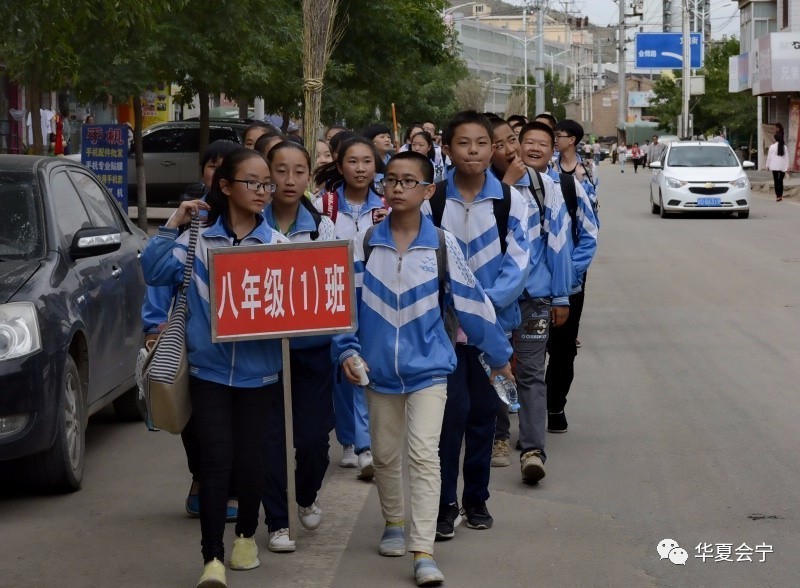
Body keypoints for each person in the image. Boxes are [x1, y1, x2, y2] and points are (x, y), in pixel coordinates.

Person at [334, 150, 513, 587]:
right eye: (390, 180)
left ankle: (423, 548)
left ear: (429, 191)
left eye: (407, 181)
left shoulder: (442, 244)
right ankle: (393, 522)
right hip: (377, 372)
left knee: (423, 454)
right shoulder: (364, 243)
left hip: (431, 369)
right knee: (386, 455)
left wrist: (501, 355)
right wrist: (346, 352)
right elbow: (346, 310)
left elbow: (472, 306)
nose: (396, 188)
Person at [141, 148, 288, 587]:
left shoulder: (279, 247)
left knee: (250, 460)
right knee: (214, 461)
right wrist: (174, 223)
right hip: (208, 373)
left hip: (260, 374)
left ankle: (245, 533)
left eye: (268, 183)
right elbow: (151, 271)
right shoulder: (197, 242)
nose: (264, 191)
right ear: (225, 186)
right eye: (254, 182)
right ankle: (212, 558)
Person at [424, 111, 529, 538]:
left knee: (485, 417)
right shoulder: (432, 201)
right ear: (446, 149)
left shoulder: (511, 201)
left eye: (482, 143)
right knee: (449, 418)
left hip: (494, 332)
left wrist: (482, 309)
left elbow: (520, 264)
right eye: (463, 143)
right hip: (442, 331)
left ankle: (477, 499)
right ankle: (445, 504)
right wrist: (456, 306)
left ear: (494, 148)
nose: (473, 151)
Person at [140, 139, 241, 521]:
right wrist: (155, 324)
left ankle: (229, 489)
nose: (217, 174)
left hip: (241, 349)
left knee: (235, 426)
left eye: (226, 166)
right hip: (195, 341)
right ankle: (201, 478)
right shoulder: (193, 217)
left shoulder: (258, 220)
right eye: (212, 166)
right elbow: (159, 277)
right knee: (194, 419)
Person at [260, 141, 337, 554]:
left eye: (299, 171)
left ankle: (306, 494)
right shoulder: (251, 224)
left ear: (310, 176)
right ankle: (277, 521)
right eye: (281, 170)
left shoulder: (323, 227)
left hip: (311, 352)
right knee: (270, 438)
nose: (289, 180)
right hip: (264, 353)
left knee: (311, 439)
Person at [489, 119, 572, 482]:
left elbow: (559, 244)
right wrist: (505, 188)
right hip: (492, 301)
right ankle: (497, 438)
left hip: (535, 299)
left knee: (532, 374)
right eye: (505, 142)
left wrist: (561, 295)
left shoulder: (546, 188)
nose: (512, 147)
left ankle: (534, 448)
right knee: (495, 370)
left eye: (513, 139)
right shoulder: (482, 190)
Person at [316, 136, 388, 478]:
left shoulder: (387, 204)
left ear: (376, 166)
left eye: (367, 162)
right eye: (353, 161)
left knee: (364, 364)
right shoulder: (324, 206)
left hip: (374, 297)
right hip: (334, 295)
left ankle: (364, 443)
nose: (360, 169)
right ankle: (349, 439)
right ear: (339, 165)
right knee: (341, 369)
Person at [545, 121, 599, 434]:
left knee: (563, 349)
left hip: (570, 278)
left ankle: (555, 405)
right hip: (530, 286)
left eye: (555, 137)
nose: (550, 143)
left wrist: (570, 272)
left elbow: (591, 228)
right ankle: (527, 409)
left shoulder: (580, 176)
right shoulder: (516, 186)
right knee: (530, 348)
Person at [765, 125, 789, 202]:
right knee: (780, 181)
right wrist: (787, 167)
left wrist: (767, 166)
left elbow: (769, 157)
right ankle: (781, 196)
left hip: (774, 166)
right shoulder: (784, 147)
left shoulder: (772, 146)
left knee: (776, 181)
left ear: (775, 138)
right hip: (782, 166)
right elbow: (787, 157)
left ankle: (777, 196)